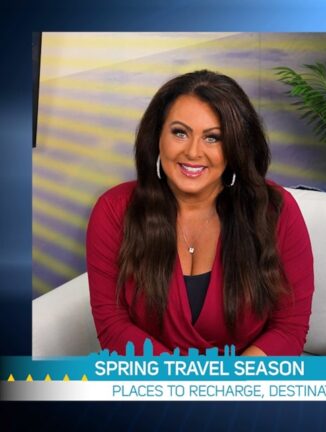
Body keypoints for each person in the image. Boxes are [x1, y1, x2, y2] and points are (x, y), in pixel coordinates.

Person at [87, 70, 314, 356]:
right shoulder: (114, 210)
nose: (193, 152)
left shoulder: (274, 210)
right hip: (151, 377)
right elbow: (112, 324)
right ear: (157, 136)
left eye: (213, 138)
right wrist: (181, 381)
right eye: (180, 133)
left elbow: (289, 328)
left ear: (236, 146)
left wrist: (230, 381)